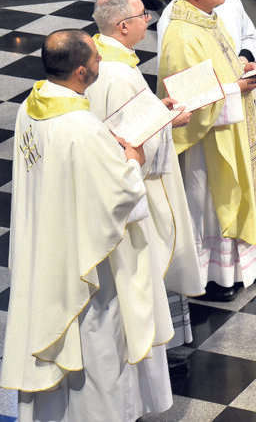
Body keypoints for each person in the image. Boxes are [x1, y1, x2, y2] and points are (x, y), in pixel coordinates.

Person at [2, 30, 173, 420]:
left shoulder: (33, 105)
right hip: (84, 257)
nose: (101, 61)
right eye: (97, 57)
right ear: (81, 71)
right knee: (97, 346)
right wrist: (133, 159)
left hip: (46, 245)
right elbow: (121, 197)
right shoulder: (81, 127)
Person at [88, 0, 204, 352]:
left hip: (114, 183)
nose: (147, 21)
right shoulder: (118, 74)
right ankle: (158, 344)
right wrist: (171, 120)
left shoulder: (100, 59)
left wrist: (158, 109)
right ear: (123, 26)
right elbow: (133, 140)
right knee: (148, 263)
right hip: (139, 185)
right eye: (142, 16)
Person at [158, 0, 256, 302]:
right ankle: (214, 277)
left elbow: (221, 66)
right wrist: (234, 89)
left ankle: (238, 270)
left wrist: (240, 65)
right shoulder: (180, 35)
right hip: (205, 144)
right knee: (209, 204)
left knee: (232, 197)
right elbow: (186, 100)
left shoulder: (208, 19)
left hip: (231, 127)